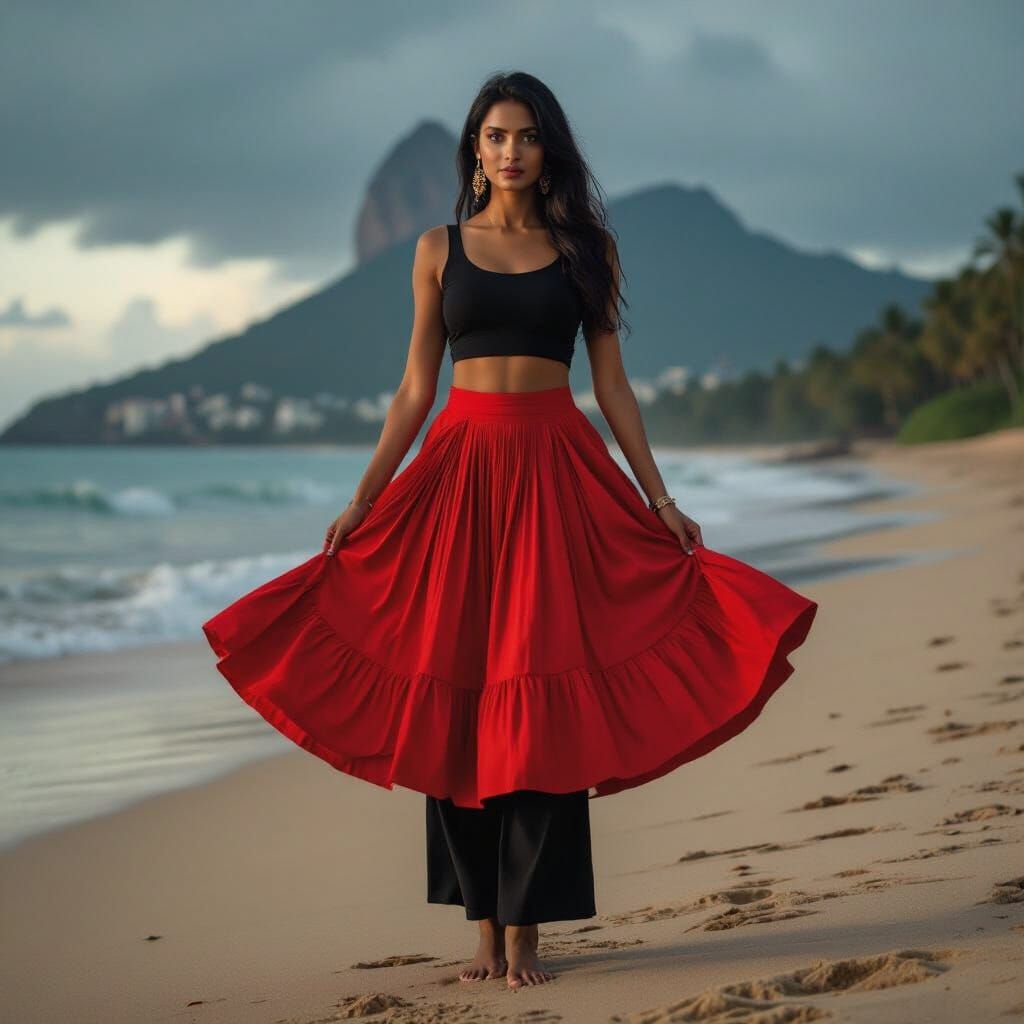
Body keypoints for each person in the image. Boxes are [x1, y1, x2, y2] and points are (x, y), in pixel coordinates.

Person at [201, 70, 818, 991]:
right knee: (454, 696)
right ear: (476, 151)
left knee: (536, 700)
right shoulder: (436, 250)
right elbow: (416, 387)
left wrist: (658, 501)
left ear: (547, 148)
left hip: (556, 478)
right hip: (454, 478)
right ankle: (482, 924)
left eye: (526, 135)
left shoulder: (587, 251)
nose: (511, 150)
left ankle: (528, 930)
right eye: (495, 136)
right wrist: (366, 498)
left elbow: (611, 388)